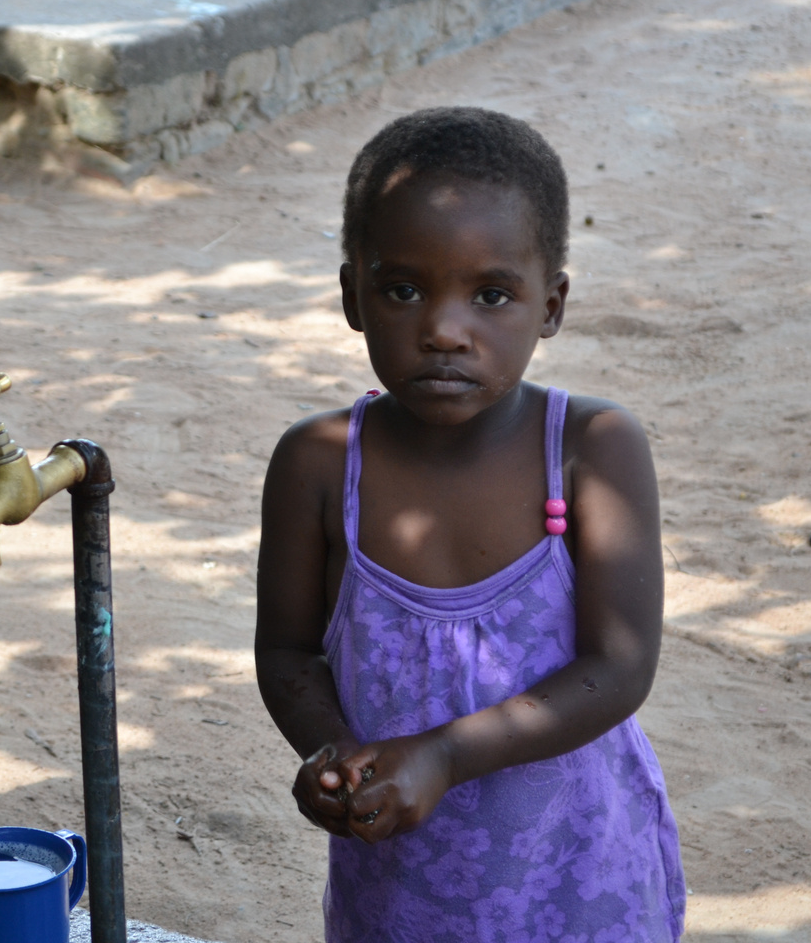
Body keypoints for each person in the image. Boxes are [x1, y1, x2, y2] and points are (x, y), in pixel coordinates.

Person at [255, 107, 685, 941]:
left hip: (581, 884)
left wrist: (446, 754)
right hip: (400, 887)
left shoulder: (590, 450)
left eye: (492, 295)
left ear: (551, 305)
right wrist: (332, 755)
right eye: (403, 288)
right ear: (353, 294)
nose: (445, 330)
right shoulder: (316, 464)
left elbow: (620, 668)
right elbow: (287, 651)